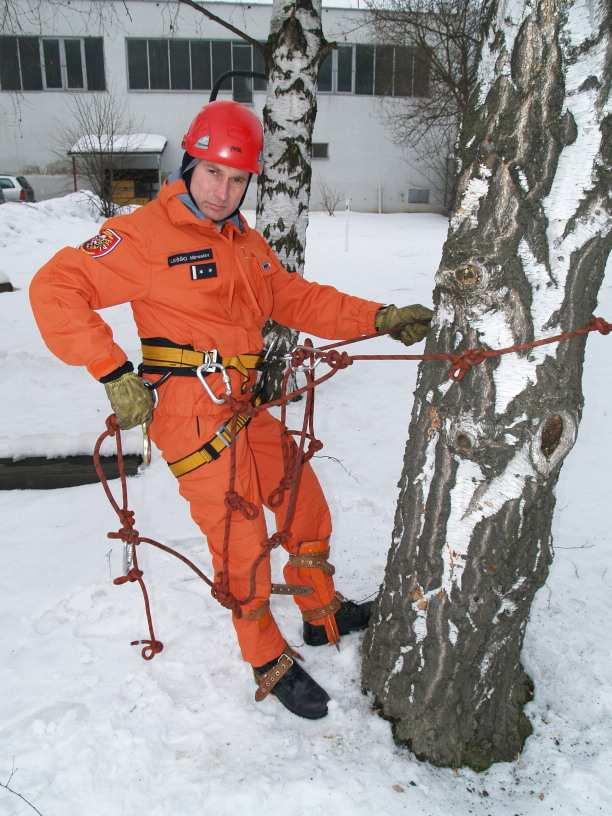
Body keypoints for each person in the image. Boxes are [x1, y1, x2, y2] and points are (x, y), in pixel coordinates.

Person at [30, 100, 432, 720]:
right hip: (190, 416)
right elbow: (55, 287)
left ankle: (321, 614)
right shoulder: (142, 235)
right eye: (213, 173)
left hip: (242, 403)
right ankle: (265, 657)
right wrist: (111, 370)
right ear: (189, 166)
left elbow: (294, 296)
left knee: (302, 497)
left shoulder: (243, 240)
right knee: (239, 537)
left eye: (237, 179)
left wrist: (376, 317)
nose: (223, 191)